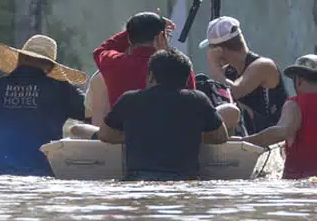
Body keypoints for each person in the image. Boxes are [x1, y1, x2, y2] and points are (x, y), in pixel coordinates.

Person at [76, 12, 238, 137]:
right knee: (230, 111)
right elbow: (190, 99)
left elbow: (101, 50)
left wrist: (129, 33)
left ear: (130, 40)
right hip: (176, 137)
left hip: (128, 135)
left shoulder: (113, 63)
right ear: (161, 36)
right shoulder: (179, 65)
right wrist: (166, 50)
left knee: (77, 129)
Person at [0, 35, 89, 177]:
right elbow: (96, 118)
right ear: (49, 67)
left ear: (19, 59)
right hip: (45, 182)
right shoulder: (62, 91)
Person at [98, 48, 229, 180]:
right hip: (184, 180)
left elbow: (105, 134)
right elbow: (221, 136)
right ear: (186, 78)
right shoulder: (197, 100)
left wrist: (140, 136)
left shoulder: (130, 99)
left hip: (139, 180)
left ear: (151, 76)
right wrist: (185, 136)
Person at [246, 54, 317, 180]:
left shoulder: (295, 104)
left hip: (300, 183)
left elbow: (282, 131)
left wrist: (247, 141)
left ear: (299, 80)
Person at [201, 16, 288, 133]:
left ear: (219, 50)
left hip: (270, 137)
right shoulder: (228, 72)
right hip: (248, 136)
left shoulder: (263, 65)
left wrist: (214, 65)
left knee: (233, 108)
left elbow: (230, 93)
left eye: (211, 50)